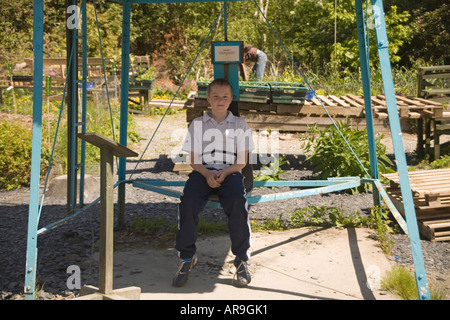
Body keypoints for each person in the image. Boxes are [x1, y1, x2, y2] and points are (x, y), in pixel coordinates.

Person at [173, 78, 254, 288]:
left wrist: (225, 173)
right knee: (188, 201)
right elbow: (194, 160)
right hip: (202, 172)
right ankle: (187, 258)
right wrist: (208, 174)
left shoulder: (239, 124)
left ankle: (241, 259)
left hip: (231, 172)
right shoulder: (197, 124)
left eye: (225, 97)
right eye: (215, 96)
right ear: (208, 98)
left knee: (238, 201)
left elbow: (241, 162)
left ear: (231, 99)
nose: (220, 100)